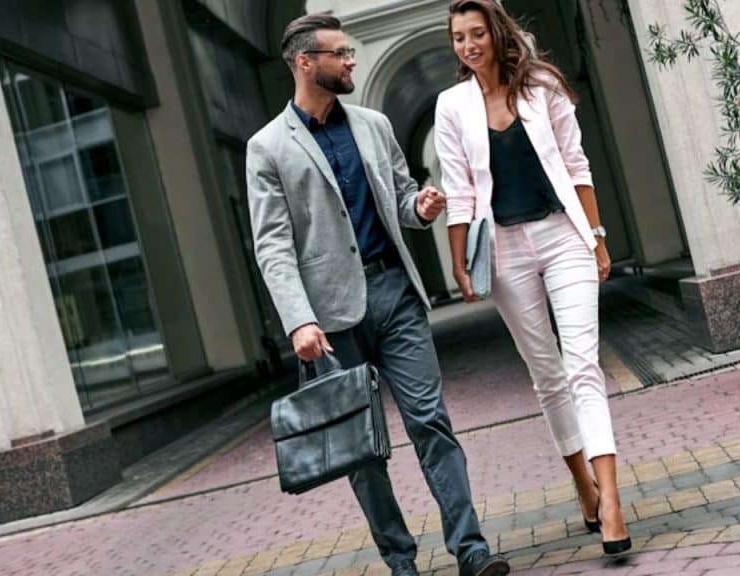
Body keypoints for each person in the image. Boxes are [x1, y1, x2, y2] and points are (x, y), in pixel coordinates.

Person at [246, 13, 511, 576]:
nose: (350, 62)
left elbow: (401, 196)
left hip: (394, 293)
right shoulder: (266, 148)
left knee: (431, 422)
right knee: (361, 449)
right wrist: (298, 321)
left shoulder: (372, 124)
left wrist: (420, 208)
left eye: (350, 53)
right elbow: (273, 246)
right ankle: (400, 562)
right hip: (329, 320)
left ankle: (471, 549)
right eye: (340, 54)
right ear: (305, 62)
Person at [433, 0, 631, 556]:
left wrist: (596, 237)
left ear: (496, 34)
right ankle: (581, 482)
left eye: (476, 34)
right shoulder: (451, 106)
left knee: (583, 364)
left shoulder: (541, 86)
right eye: (457, 37)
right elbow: (460, 192)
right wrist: (459, 263)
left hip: (562, 235)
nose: (468, 45)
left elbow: (577, 164)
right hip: (503, 251)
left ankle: (611, 500)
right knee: (546, 373)